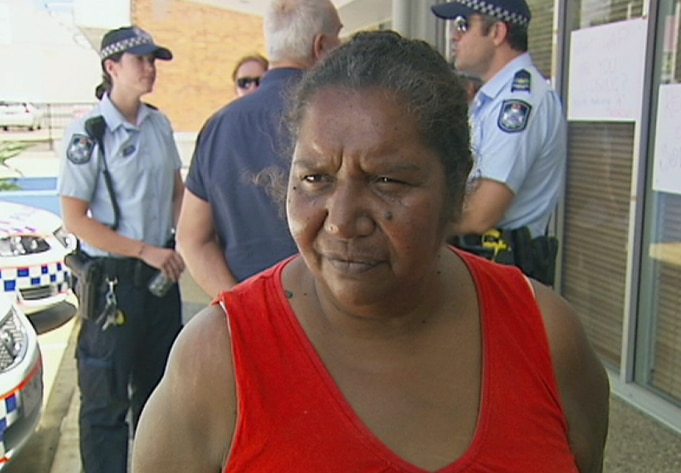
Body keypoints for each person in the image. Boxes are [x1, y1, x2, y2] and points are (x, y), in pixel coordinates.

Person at [132, 31, 609, 473]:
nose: (341, 220)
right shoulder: (216, 361)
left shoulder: (545, 335)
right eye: (315, 178)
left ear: (456, 185)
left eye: (387, 181)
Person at [58, 26, 185, 473]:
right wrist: (145, 249)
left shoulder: (159, 123)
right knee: (105, 404)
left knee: (158, 398)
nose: (150, 69)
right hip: (113, 286)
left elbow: (176, 192)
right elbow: (76, 219)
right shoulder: (88, 134)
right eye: (140, 60)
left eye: (154, 60)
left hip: (158, 283)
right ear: (112, 68)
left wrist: (180, 240)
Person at [177, 0, 343, 298]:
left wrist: (241, 308)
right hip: (331, 320)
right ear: (321, 47)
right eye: (338, 38)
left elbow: (192, 238)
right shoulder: (341, 120)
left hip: (251, 318)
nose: (342, 47)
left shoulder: (218, 125)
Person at [432, 0, 567, 286]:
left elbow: (481, 214)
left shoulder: (519, 103)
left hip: (501, 273)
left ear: (497, 32)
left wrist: (416, 226)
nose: (454, 36)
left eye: (464, 25)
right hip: (483, 268)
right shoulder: (493, 99)